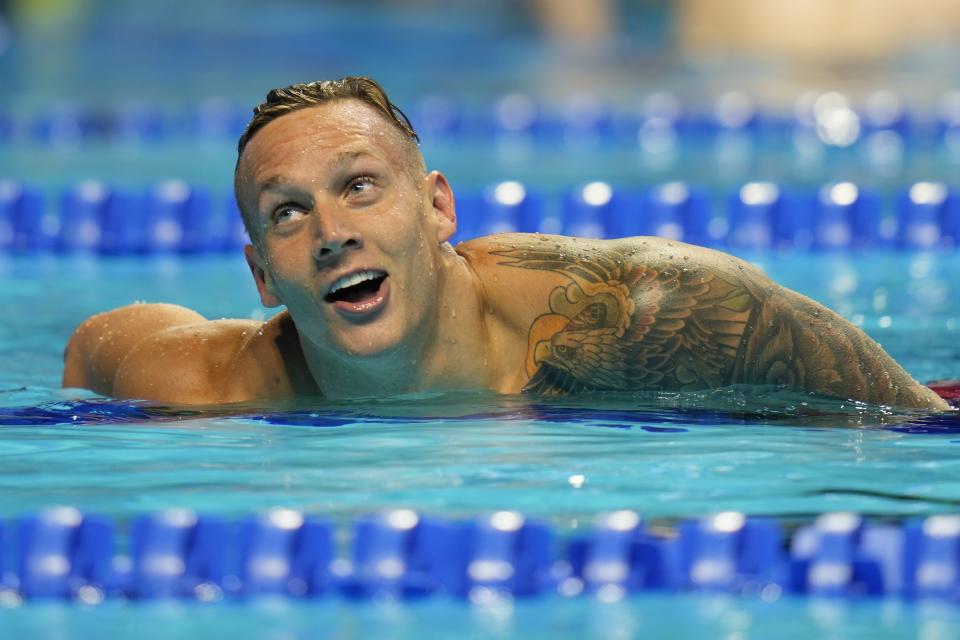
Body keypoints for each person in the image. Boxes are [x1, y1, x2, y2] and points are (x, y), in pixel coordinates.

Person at [62, 76, 949, 410]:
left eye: (359, 186)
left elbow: (917, 426)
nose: (332, 234)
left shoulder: (644, 312)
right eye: (287, 213)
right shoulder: (210, 385)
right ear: (262, 275)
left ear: (438, 207)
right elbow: (92, 348)